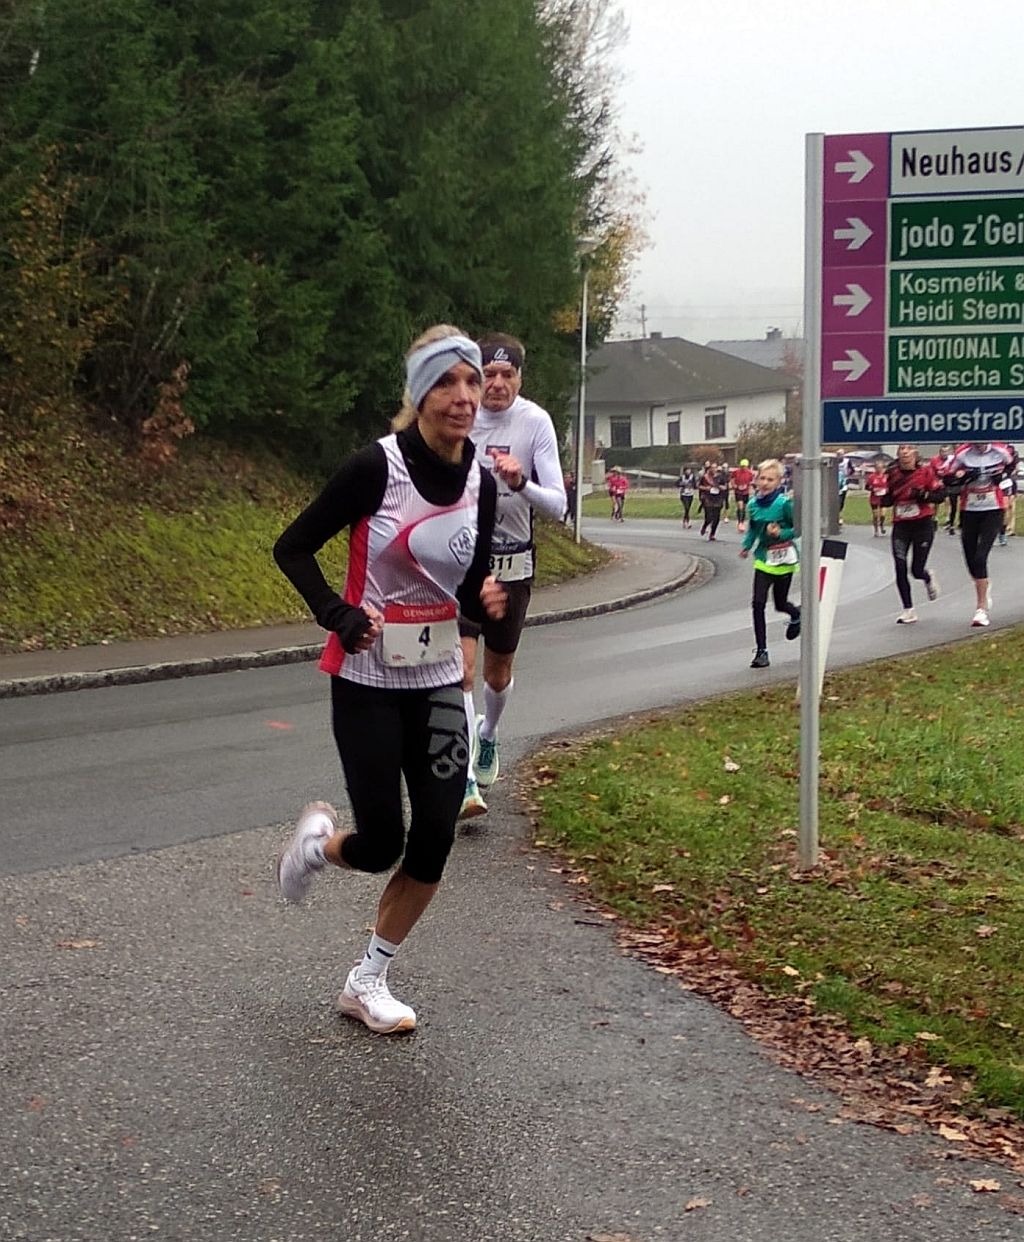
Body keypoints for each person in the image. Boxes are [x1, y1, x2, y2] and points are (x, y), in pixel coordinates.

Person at [272, 325, 506, 1034]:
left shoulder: (481, 480)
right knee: (381, 844)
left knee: (435, 834)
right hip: (367, 678)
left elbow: (468, 578)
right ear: (420, 394)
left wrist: (479, 610)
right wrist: (339, 615)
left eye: (472, 381)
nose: (465, 396)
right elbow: (293, 548)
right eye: (448, 382)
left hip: (438, 679)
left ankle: (367, 979)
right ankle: (316, 847)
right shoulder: (376, 468)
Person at [458, 332, 566, 819]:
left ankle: (488, 734)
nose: (497, 384)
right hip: (464, 560)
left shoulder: (535, 422)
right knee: (461, 670)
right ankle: (464, 779)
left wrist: (521, 482)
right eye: (489, 375)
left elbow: (559, 506)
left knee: (496, 673)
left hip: (514, 562)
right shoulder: (461, 416)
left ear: (520, 378)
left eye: (507, 374)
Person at [947, 440, 1018, 626]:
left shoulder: (1000, 449)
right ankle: (983, 582)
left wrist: (1002, 476)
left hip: (993, 509)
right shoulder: (962, 452)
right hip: (969, 510)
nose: (979, 444)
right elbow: (947, 475)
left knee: (980, 557)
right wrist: (962, 476)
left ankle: (981, 608)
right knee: (970, 559)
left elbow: (1012, 465)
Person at [739, 458, 801, 668]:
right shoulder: (753, 505)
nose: (765, 483)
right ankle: (762, 651)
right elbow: (754, 529)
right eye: (762, 478)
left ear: (778, 482)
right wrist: (746, 546)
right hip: (763, 560)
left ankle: (796, 615)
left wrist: (780, 533)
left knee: (780, 604)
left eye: (770, 479)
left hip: (784, 559)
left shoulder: (784, 504)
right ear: (756, 480)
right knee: (758, 604)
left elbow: (797, 529)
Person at [883, 444, 944, 624]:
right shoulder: (892, 473)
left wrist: (924, 495)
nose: (905, 452)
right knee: (900, 566)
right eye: (902, 449)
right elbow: (888, 496)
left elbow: (941, 495)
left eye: (909, 449)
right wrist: (886, 499)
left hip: (922, 524)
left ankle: (927, 576)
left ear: (915, 454)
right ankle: (908, 610)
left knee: (916, 570)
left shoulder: (926, 472)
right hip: (901, 525)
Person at [699, 461, 725, 540]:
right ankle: (705, 526)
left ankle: (712, 534)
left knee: (716, 518)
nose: (714, 469)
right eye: (712, 468)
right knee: (709, 517)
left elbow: (725, 487)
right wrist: (706, 488)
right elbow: (699, 486)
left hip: (718, 498)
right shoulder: (705, 477)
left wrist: (720, 487)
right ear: (709, 468)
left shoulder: (720, 477)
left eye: (715, 467)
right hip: (708, 498)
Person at [865, 459, 889, 537]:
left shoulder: (886, 476)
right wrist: (873, 489)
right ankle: (876, 530)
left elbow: (890, 486)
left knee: (883, 514)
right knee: (875, 515)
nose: (879, 469)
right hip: (874, 498)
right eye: (878, 468)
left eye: (881, 468)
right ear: (875, 468)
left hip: (883, 498)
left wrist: (887, 490)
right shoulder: (872, 477)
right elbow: (867, 487)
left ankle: (882, 525)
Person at [731, 458, 754, 532]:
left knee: (744, 507)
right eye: (742, 466)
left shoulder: (749, 473)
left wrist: (749, 487)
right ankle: (740, 522)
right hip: (738, 491)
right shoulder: (736, 472)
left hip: (745, 492)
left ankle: (742, 522)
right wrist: (734, 485)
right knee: (740, 506)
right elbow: (732, 479)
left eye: (745, 466)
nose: (744, 468)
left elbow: (751, 481)